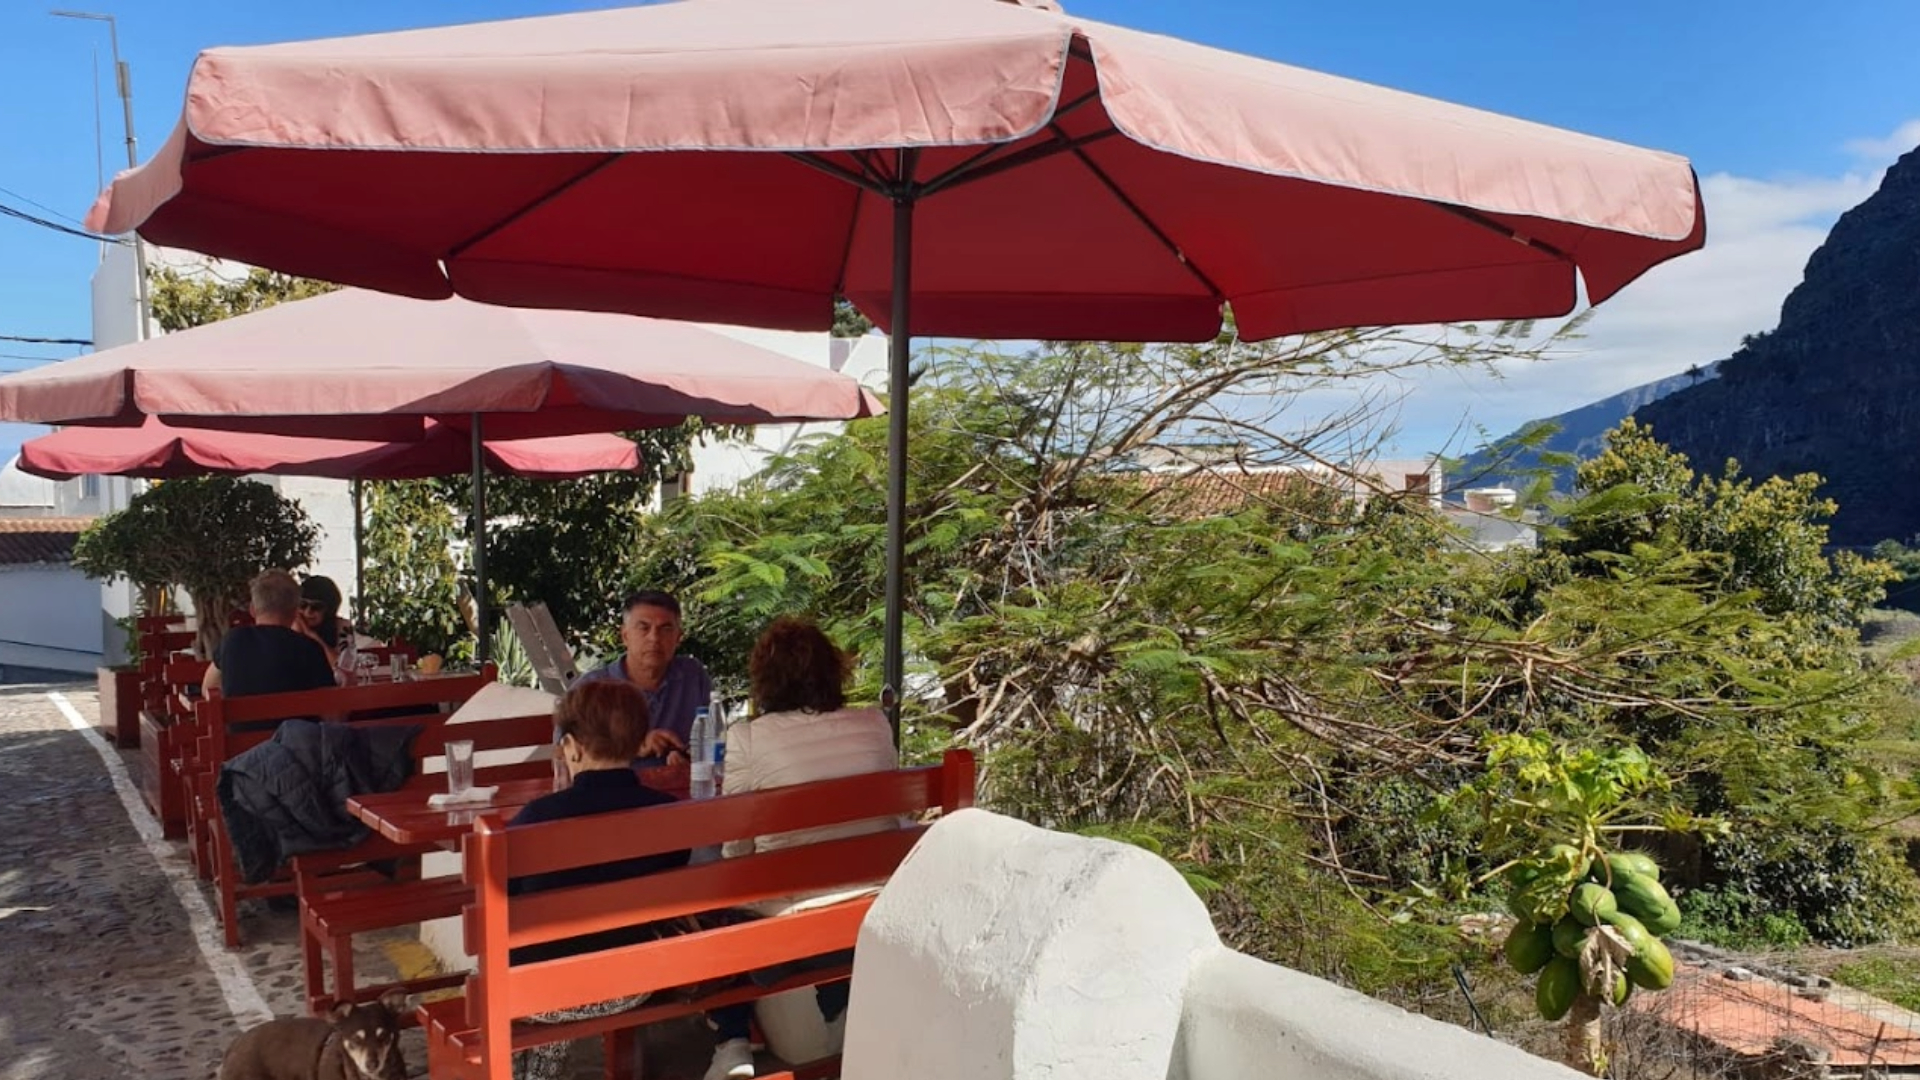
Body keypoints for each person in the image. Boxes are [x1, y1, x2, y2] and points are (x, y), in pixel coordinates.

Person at [702, 616, 900, 1080]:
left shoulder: (748, 739)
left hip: (797, 913)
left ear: (764, 680)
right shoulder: (875, 723)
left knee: (714, 899)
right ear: (834, 670)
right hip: (874, 900)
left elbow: (736, 849)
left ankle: (730, 1040)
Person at [505, 680, 697, 1080]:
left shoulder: (535, 820)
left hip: (546, 994)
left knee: (535, 957)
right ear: (636, 743)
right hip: (635, 984)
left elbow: (506, 900)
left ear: (573, 747)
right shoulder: (667, 813)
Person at [575, 590, 712, 764]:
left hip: (678, 785)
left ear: (678, 638)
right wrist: (635, 748)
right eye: (643, 628)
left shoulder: (692, 676)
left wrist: (687, 757)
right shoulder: (592, 687)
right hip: (615, 788)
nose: (654, 638)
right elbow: (564, 754)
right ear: (625, 636)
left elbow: (711, 738)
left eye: (665, 629)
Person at [203, 570, 338, 699]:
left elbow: (207, 688)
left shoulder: (232, 641)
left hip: (242, 722)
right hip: (298, 722)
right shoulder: (309, 648)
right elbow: (333, 714)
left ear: (252, 610)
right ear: (294, 611)